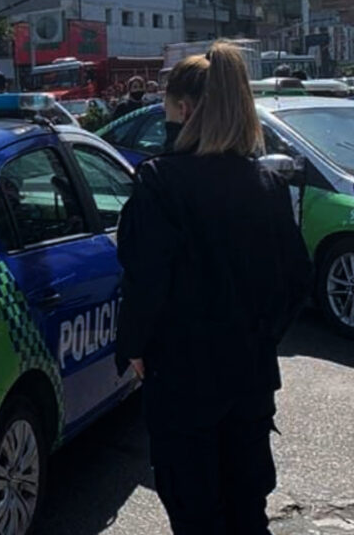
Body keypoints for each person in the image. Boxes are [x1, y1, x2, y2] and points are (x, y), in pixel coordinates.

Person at [116, 43, 312, 534]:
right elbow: (295, 280)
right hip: (249, 377)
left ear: (184, 111)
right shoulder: (267, 184)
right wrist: (260, 335)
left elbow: (146, 279)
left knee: (195, 512)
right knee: (248, 509)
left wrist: (135, 347)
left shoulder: (160, 182)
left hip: (182, 380)